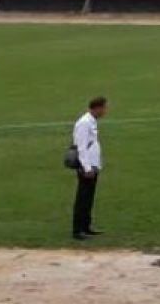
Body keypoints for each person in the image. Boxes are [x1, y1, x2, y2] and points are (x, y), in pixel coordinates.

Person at [71, 96, 107, 241]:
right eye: (104, 108)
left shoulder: (91, 122)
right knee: (83, 198)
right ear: (97, 108)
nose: (105, 111)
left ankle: (86, 226)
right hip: (86, 167)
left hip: (92, 165)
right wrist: (87, 168)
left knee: (89, 198)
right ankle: (77, 230)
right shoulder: (84, 123)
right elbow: (81, 147)